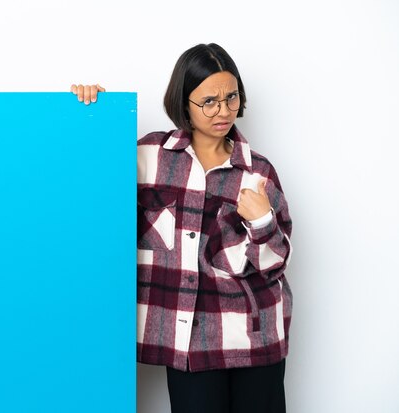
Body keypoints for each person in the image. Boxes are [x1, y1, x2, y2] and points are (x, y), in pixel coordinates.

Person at [72, 43, 293, 413]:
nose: (223, 111)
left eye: (231, 97)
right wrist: (96, 115)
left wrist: (262, 221)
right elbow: (89, 188)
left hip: (254, 337)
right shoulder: (149, 157)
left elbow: (276, 262)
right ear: (183, 102)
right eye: (209, 101)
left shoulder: (258, 172)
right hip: (190, 342)